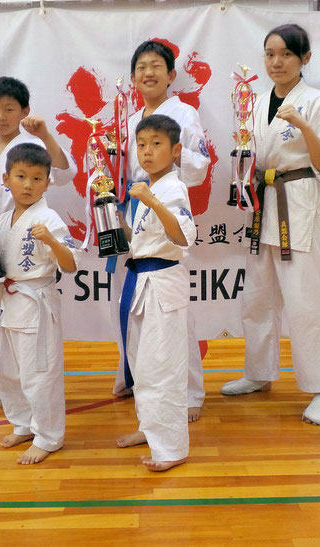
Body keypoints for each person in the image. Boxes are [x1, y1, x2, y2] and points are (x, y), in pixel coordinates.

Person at [220, 24, 320, 427]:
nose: (277, 62)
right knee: (257, 297)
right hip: (263, 203)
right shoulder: (254, 102)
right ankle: (258, 372)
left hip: (299, 203)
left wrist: (304, 125)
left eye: (286, 54)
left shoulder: (318, 102)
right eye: (270, 54)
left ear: (305, 58)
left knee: (308, 302)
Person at [111, 39, 210, 423]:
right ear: (133, 76)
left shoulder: (183, 113)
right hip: (135, 207)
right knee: (136, 303)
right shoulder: (130, 115)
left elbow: (199, 165)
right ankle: (136, 379)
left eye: (156, 66)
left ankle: (189, 395)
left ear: (171, 75)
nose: (147, 73)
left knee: (171, 307)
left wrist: (172, 151)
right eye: (140, 67)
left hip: (167, 203)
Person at [0, 76, 76, 411]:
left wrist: (44, 134)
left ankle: (33, 405)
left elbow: (64, 170)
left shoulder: (32, 148)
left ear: (24, 111)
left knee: (24, 329)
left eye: (9, 109)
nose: (0, 116)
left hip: (23, 239)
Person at [0, 142, 80, 465]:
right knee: (10, 374)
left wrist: (52, 242)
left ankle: (48, 436)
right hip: (8, 302)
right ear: (6, 178)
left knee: (39, 373)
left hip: (36, 304)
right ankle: (23, 424)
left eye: (37, 178)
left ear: (48, 182)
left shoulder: (50, 219)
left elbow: (70, 265)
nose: (28, 185)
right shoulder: (3, 220)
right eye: (21, 176)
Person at [115, 114, 196, 471]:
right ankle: (149, 428)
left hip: (163, 282)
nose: (147, 151)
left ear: (176, 150)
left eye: (157, 144)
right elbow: (137, 242)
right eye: (142, 144)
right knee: (142, 364)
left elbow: (182, 237)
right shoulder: (144, 188)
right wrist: (114, 215)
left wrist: (152, 200)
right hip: (140, 282)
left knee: (163, 367)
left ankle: (172, 448)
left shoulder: (173, 189)